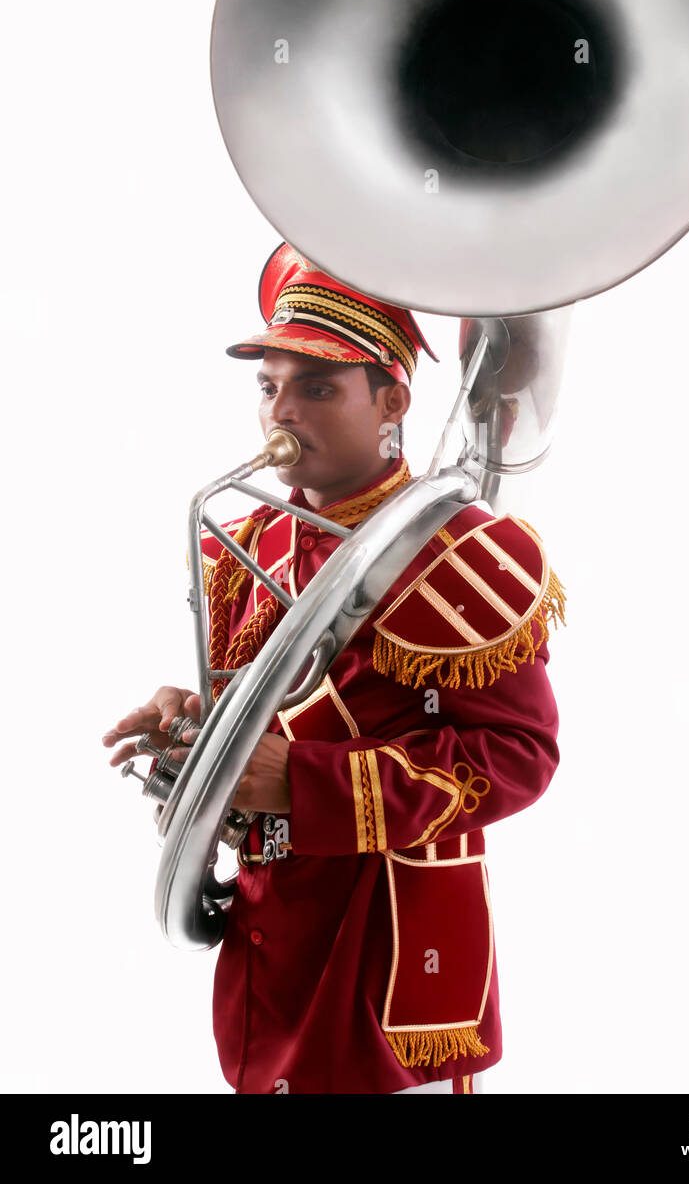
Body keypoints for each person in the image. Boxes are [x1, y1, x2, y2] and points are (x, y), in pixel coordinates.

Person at [104, 241, 566, 1094]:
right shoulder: (251, 540)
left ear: (392, 399)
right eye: (269, 386)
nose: (284, 412)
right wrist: (192, 728)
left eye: (318, 387)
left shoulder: (467, 553)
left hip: (386, 939)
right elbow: (264, 712)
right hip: (268, 929)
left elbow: (520, 759)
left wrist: (307, 785)